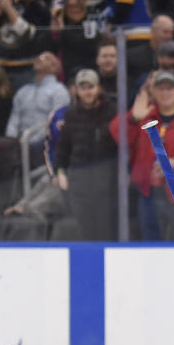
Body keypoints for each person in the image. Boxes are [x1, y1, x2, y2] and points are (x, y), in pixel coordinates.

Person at [110, 69, 174, 241]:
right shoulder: (143, 115)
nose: (165, 92)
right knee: (150, 240)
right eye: (160, 88)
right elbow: (117, 136)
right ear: (153, 91)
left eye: (170, 88)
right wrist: (133, 118)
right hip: (147, 192)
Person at [54, 69, 117, 240]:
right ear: (76, 90)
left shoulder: (112, 111)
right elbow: (63, 146)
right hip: (79, 180)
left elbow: (121, 146)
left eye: (91, 87)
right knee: (84, 227)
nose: (87, 92)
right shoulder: (71, 113)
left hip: (106, 180)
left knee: (105, 227)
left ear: (99, 88)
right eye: (83, 88)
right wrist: (60, 170)